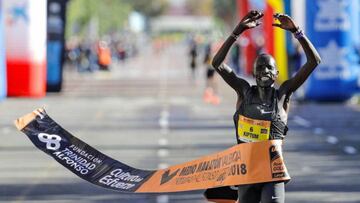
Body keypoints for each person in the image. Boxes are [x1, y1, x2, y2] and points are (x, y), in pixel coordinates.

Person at [204, 10, 321, 203]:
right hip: (246, 171)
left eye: (269, 68)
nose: (264, 71)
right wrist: (238, 30)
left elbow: (314, 61)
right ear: (254, 73)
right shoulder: (244, 91)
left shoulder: (283, 94)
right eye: (260, 67)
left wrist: (297, 32)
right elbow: (217, 63)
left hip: (272, 173)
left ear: (276, 74)